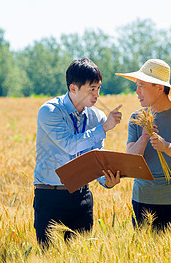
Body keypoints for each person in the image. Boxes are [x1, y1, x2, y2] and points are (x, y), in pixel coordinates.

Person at [33, 57, 122, 247]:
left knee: (81, 261)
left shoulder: (97, 117)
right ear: (73, 88)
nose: (97, 94)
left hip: (82, 198)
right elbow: (68, 144)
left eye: (98, 88)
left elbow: (96, 157)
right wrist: (104, 128)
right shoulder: (50, 111)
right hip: (50, 195)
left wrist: (107, 180)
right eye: (92, 89)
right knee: (49, 261)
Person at [116, 59, 171, 231]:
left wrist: (166, 146)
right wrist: (143, 138)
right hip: (143, 202)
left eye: (141, 86)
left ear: (159, 87)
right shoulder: (137, 117)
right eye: (137, 85)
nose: (137, 91)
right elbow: (130, 160)